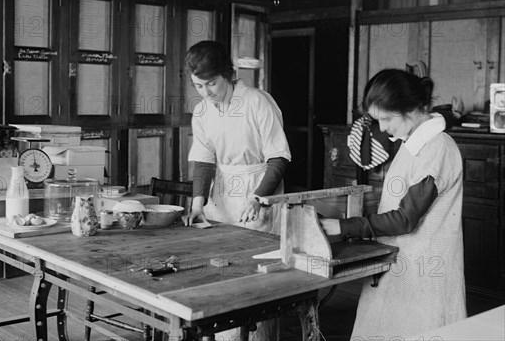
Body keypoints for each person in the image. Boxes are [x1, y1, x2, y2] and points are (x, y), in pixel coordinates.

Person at [320, 69, 467, 339]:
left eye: (386, 119)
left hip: (426, 265)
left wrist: (343, 226)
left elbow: (405, 218)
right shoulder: (411, 143)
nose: (383, 129)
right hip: (401, 258)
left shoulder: (437, 148)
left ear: (409, 109)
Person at [184, 40, 291, 341]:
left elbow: (279, 157)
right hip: (223, 198)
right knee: (220, 275)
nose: (206, 93)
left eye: (211, 84)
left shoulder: (257, 101)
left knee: (256, 280)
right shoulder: (203, 111)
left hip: (259, 193)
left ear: (228, 74)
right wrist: (197, 205)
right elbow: (204, 162)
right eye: (198, 86)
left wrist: (259, 197)